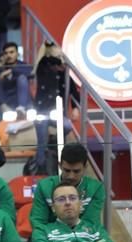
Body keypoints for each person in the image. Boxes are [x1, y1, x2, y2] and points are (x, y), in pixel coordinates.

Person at [32, 41, 80, 174]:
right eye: (57, 49)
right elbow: (47, 62)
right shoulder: (43, 64)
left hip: (57, 111)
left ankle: (54, 147)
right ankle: (40, 169)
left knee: (67, 126)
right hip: (42, 110)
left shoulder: (64, 72)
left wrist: (75, 107)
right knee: (41, 143)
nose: (59, 51)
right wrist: (53, 53)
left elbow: (73, 90)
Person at [30, 143, 105, 227]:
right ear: (60, 165)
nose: (71, 176)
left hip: (84, 238)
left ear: (85, 167)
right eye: (67, 170)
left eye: (76, 171)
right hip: (50, 238)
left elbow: (91, 223)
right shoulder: (43, 187)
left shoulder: (96, 188)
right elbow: (38, 222)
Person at [31, 183, 114, 242]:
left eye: (72, 198)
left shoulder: (95, 228)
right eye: (61, 199)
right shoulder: (42, 231)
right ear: (53, 208)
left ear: (81, 204)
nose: (67, 203)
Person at [0, 42, 32, 116]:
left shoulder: (24, 66)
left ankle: (22, 108)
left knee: (22, 78)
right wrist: (3, 104)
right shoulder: (0, 70)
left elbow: (30, 73)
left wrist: (11, 70)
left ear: (17, 53)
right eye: (6, 53)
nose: (9, 55)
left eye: (11, 52)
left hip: (23, 101)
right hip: (7, 102)